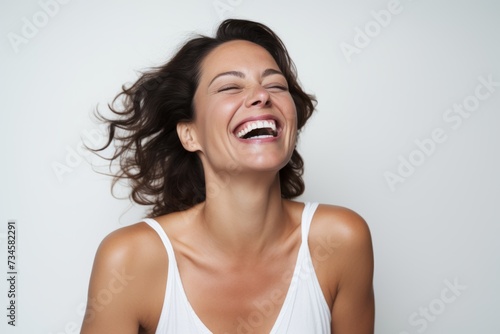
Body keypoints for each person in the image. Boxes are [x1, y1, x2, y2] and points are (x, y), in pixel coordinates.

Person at [81, 19, 374, 334]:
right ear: (190, 135)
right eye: (230, 87)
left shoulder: (340, 241)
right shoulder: (130, 260)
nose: (261, 96)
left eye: (275, 85)